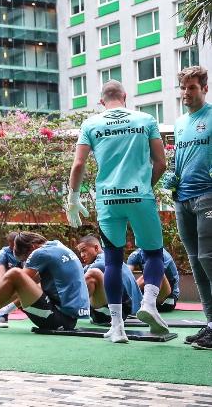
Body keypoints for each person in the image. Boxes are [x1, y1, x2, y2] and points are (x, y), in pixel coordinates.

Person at [66, 79, 169, 341]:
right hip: (140, 196)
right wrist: (144, 188)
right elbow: (161, 163)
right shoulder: (146, 119)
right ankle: (148, 302)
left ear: (102, 101)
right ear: (125, 96)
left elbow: (78, 165)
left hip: (108, 200)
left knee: (112, 260)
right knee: (154, 253)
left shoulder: (91, 124)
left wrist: (73, 198)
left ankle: (117, 327)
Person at [0, 232, 89, 332]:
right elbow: (26, 290)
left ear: (32, 248)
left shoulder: (40, 253)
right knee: (29, 283)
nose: (26, 262)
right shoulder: (58, 247)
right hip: (68, 320)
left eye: (25, 259)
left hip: (57, 319)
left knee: (15, 274)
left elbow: (16, 285)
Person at [166, 65, 212, 350]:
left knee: (209, 258)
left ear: (204, 89)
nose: (186, 92)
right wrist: (173, 177)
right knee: (196, 262)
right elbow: (178, 157)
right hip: (182, 198)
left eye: (191, 87)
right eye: (183, 87)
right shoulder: (181, 123)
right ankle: (210, 323)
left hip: (208, 196)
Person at [76, 235, 142, 334]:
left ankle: (71, 311)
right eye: (80, 252)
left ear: (96, 248)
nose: (82, 255)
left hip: (116, 313)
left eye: (84, 250)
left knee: (92, 275)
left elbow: (80, 280)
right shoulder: (110, 259)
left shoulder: (101, 262)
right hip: (129, 310)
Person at [127, 247, 179, 312]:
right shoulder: (136, 254)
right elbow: (127, 275)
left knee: (156, 270)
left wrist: (128, 293)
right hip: (147, 289)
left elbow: (151, 276)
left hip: (167, 297)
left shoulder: (163, 255)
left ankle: (145, 303)